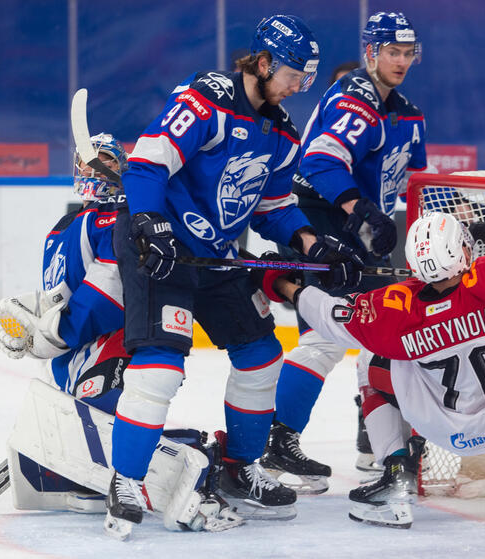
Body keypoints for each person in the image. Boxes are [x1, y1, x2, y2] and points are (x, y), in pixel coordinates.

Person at [107, 14, 364, 538]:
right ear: (263, 63)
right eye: (293, 76)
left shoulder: (282, 133)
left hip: (217, 255)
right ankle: (126, 480)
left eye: (306, 80)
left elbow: (273, 208)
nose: (297, 88)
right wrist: (150, 221)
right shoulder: (208, 98)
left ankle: (239, 468)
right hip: (163, 247)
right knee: (160, 368)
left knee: (262, 355)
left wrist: (313, 243)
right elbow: (148, 163)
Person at [254, 158, 485, 528]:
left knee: (372, 358)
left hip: (448, 433)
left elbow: (329, 316)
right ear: (464, 252)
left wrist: (282, 283)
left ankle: (396, 468)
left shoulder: (395, 309)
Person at [0, 134, 240, 534]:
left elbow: (108, 294)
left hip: (112, 342)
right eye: (89, 160)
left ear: (123, 169)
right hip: (73, 352)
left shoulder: (119, 218)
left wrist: (58, 333)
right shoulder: (67, 225)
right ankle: (90, 471)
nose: (95, 168)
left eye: (106, 160)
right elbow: (64, 290)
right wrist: (37, 315)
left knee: (105, 418)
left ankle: (201, 458)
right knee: (86, 425)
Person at [259, 11, 428, 491]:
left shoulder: (408, 113)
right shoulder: (354, 96)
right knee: (326, 338)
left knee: (385, 334)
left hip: (360, 227)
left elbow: (418, 181)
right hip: (322, 220)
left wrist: (450, 218)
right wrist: (363, 211)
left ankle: (378, 443)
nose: (400, 61)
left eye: (407, 53)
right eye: (391, 51)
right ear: (371, 53)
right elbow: (320, 161)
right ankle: (277, 445)